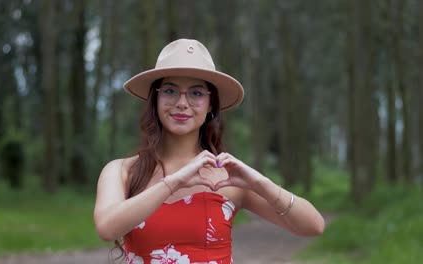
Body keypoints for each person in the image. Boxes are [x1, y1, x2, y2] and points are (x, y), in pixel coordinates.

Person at [93, 39, 325, 264]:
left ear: (211, 104)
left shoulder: (227, 178)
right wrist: (174, 182)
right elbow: (106, 227)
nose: (182, 103)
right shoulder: (122, 171)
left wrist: (260, 182)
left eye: (196, 93)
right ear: (155, 98)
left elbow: (313, 226)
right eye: (171, 91)